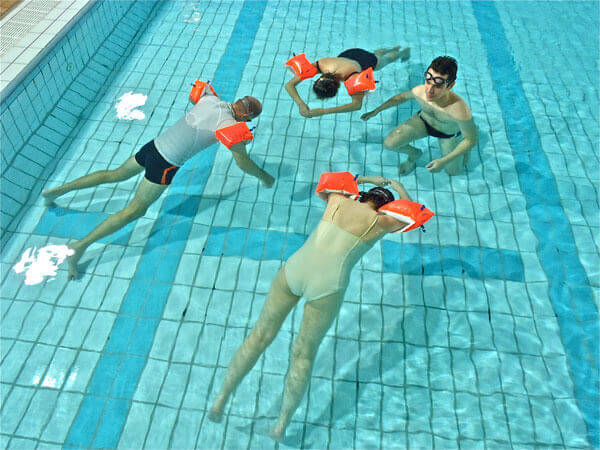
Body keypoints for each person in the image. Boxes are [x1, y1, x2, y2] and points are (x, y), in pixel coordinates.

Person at [208, 173, 429, 442]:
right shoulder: (382, 221)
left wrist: (369, 178)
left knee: (260, 335)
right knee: (303, 354)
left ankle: (220, 401)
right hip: (328, 284)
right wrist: (398, 187)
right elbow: (414, 215)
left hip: (295, 269)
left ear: (362, 196)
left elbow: (336, 182)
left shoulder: (336, 199)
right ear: (384, 206)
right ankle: (280, 425)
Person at [43, 89, 274, 279]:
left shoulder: (211, 99)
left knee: (115, 174)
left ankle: (56, 191)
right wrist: (265, 177)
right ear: (247, 118)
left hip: (152, 147)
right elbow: (242, 163)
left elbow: (195, 100)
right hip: (165, 164)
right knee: (135, 211)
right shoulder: (228, 125)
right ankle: (81, 246)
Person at [361, 56, 477, 175]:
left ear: (450, 85)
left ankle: (462, 144)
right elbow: (400, 98)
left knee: (454, 171)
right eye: (428, 81)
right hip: (423, 122)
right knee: (390, 143)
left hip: (448, 134)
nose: (429, 90)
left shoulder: (459, 109)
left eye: (438, 85)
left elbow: (472, 140)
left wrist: (443, 161)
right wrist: (376, 111)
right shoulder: (421, 91)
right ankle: (414, 155)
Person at [285, 46, 410, 118]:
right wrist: (301, 104)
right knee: (376, 54)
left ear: (337, 88)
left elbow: (356, 105)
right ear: (319, 79)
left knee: (384, 60)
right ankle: (391, 49)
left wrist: (323, 111)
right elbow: (289, 85)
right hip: (350, 53)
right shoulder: (321, 66)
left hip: (365, 60)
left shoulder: (352, 78)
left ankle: (402, 52)